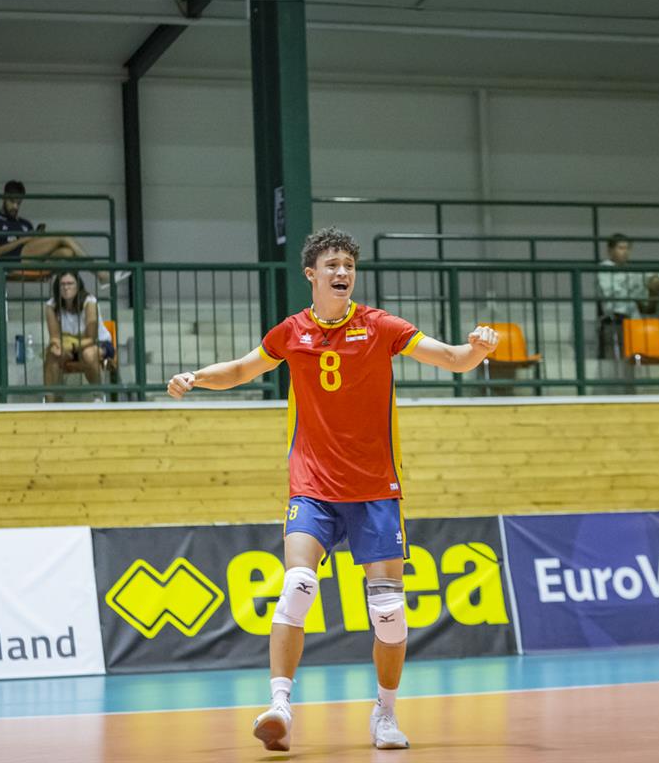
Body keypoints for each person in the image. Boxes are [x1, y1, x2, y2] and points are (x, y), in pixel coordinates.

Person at [167, 227, 498, 753]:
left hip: (375, 488)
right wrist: (195, 377)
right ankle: (280, 706)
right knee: (298, 584)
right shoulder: (291, 332)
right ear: (311, 274)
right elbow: (241, 369)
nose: (342, 272)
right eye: (332, 265)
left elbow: (453, 359)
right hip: (313, 486)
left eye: (348, 265)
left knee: (388, 611)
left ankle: (385, 714)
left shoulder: (381, 326)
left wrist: (476, 350)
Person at [43, 271, 113, 402]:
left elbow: (91, 338)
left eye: (70, 283)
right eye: (62, 284)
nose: (66, 287)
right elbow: (55, 336)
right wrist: (56, 346)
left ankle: (98, 395)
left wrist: (71, 346)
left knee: (88, 354)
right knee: (53, 355)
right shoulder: (51, 305)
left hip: (97, 343)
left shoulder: (89, 302)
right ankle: (51, 400)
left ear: (78, 285)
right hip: (68, 344)